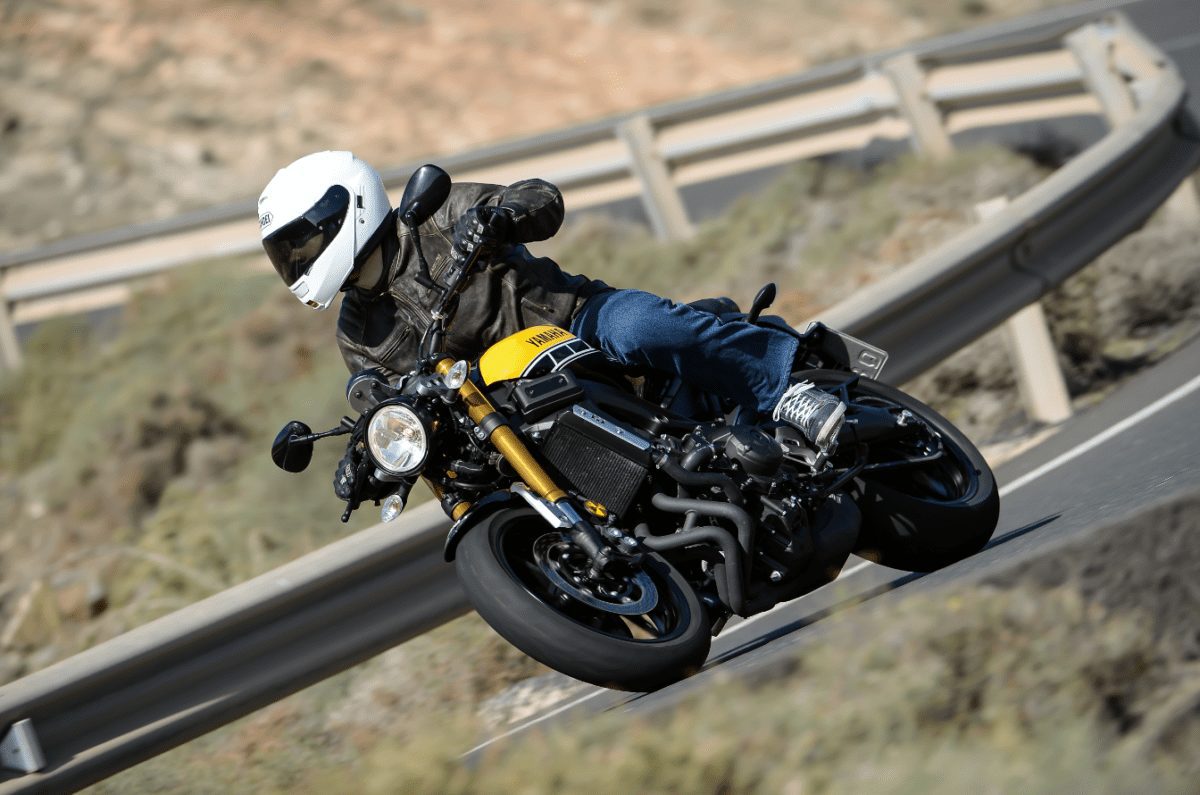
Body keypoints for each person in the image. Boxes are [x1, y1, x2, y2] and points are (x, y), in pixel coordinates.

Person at [257, 151, 846, 465]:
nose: (299, 261)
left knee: (640, 325)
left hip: (573, 325)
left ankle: (786, 388)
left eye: (301, 243)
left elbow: (541, 199)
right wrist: (366, 439)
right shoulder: (357, 332)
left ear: (345, 209)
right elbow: (374, 392)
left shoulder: (437, 213)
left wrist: (502, 214)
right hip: (505, 407)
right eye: (288, 254)